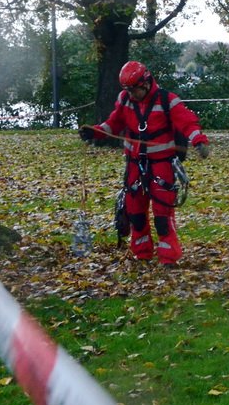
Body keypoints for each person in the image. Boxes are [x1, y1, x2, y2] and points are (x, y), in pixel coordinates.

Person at [78, 61, 210, 265]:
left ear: (146, 83)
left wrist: (199, 141)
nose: (131, 94)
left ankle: (168, 258)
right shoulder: (125, 100)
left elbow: (187, 122)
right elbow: (113, 124)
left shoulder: (168, 101)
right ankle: (142, 254)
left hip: (161, 166)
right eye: (127, 90)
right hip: (134, 166)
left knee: (163, 216)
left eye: (134, 89)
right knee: (135, 213)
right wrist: (94, 132)